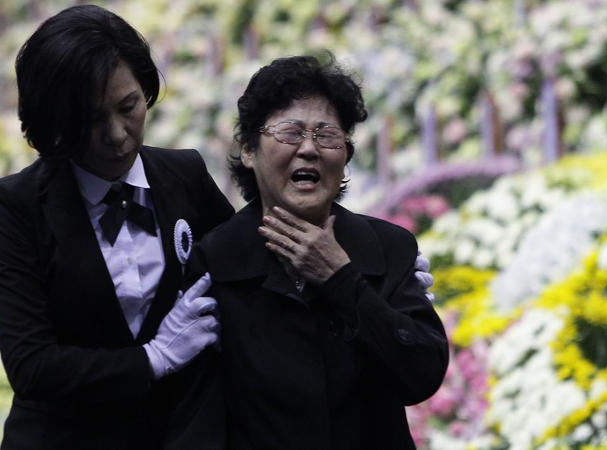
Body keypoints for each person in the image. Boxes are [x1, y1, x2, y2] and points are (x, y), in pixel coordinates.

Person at [0, 5, 234, 449]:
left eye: (128, 107)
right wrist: (151, 359)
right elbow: (31, 366)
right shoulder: (17, 206)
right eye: (91, 119)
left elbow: (244, 273)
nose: (117, 134)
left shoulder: (186, 175)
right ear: (54, 121)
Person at [187, 54, 449, 449]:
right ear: (248, 150)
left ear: (344, 156)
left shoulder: (386, 247)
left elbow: (421, 374)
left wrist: (341, 280)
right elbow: (196, 416)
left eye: (326, 135)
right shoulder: (215, 259)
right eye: (290, 132)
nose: (309, 148)